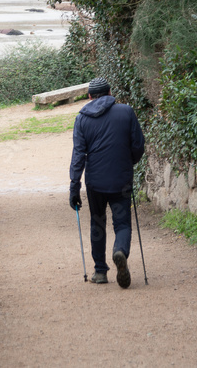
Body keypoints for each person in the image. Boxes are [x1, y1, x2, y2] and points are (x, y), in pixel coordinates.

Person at [69, 77, 145, 288]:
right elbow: (138, 145)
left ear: (90, 96)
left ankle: (100, 272)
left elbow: (78, 156)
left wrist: (74, 187)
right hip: (121, 179)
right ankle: (119, 251)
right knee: (122, 223)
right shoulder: (126, 112)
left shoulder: (82, 119)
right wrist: (129, 162)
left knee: (97, 222)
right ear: (111, 93)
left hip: (95, 182)